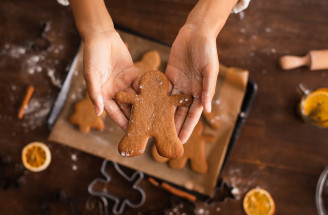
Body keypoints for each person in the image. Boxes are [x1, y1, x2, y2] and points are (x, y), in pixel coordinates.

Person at [62, 0, 250, 143]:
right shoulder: (150, 97)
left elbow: (171, 100)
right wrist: (95, 27)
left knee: (165, 133)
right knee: (137, 132)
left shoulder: (156, 98)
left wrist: (204, 26)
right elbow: (136, 98)